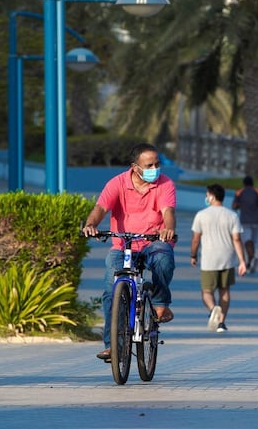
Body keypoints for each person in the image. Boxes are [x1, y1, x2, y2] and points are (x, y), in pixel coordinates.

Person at [82, 143, 176, 362]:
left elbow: (168, 211)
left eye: (157, 163)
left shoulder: (165, 184)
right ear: (135, 167)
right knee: (109, 289)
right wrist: (90, 225)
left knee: (164, 259)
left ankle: (161, 303)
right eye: (149, 165)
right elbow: (100, 209)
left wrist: (167, 228)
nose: (155, 168)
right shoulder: (117, 183)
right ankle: (112, 346)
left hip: (154, 241)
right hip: (123, 245)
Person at [191, 184, 248, 333]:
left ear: (211, 196)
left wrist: (193, 255)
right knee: (224, 290)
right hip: (227, 258)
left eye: (207, 195)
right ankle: (221, 323)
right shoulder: (232, 215)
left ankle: (212, 308)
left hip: (209, 259)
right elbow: (236, 239)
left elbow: (196, 239)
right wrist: (242, 261)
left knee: (206, 291)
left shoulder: (201, 215)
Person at [231, 175, 258, 274]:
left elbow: (234, 206)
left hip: (245, 220)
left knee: (247, 241)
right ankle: (250, 261)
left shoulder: (239, 192)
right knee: (252, 241)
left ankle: (251, 259)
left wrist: (241, 205)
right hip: (256, 220)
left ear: (244, 183)